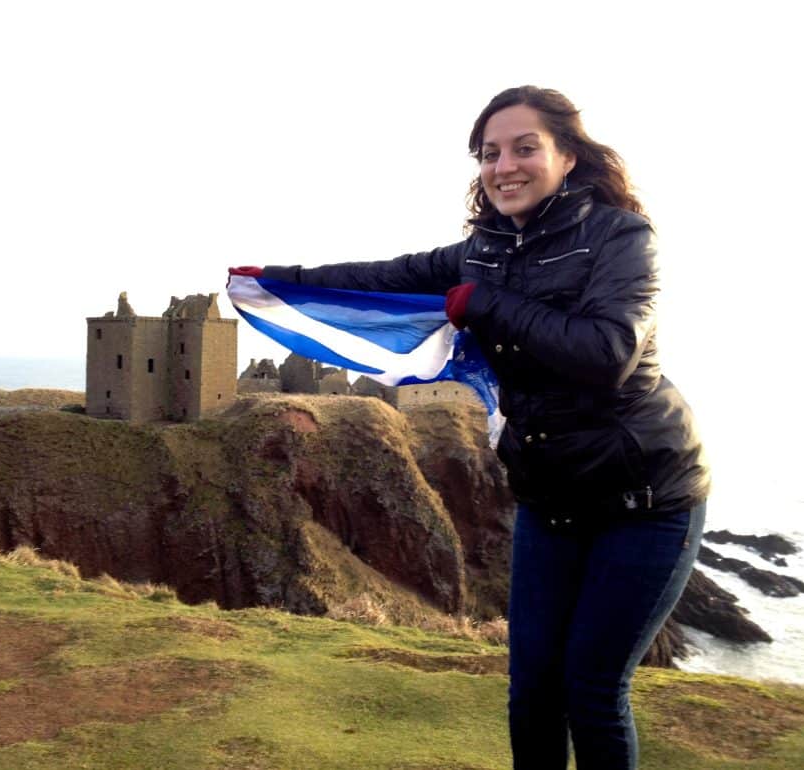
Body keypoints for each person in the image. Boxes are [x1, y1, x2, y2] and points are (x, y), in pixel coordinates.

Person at [229, 85, 709, 770]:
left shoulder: (622, 239)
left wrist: (487, 305)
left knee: (593, 688)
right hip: (549, 499)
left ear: (567, 156)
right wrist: (280, 281)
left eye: (524, 148)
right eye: (489, 154)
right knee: (532, 689)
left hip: (645, 498)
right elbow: (385, 277)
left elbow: (606, 353)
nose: (503, 166)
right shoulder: (482, 249)